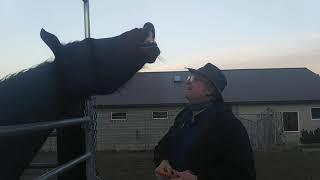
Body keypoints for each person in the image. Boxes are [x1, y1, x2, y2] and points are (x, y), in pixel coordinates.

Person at [153, 63, 256, 180]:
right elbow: (163, 146)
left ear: (210, 90)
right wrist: (163, 161)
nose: (188, 82)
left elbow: (244, 174)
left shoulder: (228, 124)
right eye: (189, 78)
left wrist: (199, 178)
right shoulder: (184, 116)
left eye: (194, 79)